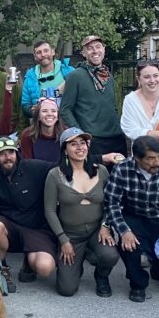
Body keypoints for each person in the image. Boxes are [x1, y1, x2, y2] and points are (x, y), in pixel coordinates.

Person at [103, 135, 159, 302]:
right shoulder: (122, 169)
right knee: (129, 246)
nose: (157, 162)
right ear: (136, 158)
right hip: (134, 217)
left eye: (158, 157)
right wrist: (124, 231)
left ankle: (158, 268)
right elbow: (112, 203)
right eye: (151, 159)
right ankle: (138, 284)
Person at [0, 136, 56, 291]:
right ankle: (1, 268)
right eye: (1, 154)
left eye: (11, 152)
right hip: (8, 228)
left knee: (45, 268)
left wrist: (99, 158)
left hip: (35, 229)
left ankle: (28, 263)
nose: (7, 157)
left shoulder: (34, 168)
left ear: (17, 153)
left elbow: (63, 167)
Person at [44, 127, 118, 297]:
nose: (80, 148)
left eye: (83, 143)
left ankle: (101, 276)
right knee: (66, 289)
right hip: (71, 235)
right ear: (64, 149)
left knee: (110, 255)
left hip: (97, 230)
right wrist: (63, 240)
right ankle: (78, 261)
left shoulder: (101, 170)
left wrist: (106, 225)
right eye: (73, 144)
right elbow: (49, 210)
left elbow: (111, 202)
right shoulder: (54, 175)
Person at [60, 35, 127, 163]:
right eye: (90, 48)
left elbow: (115, 106)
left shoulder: (108, 77)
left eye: (98, 47)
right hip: (93, 140)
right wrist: (80, 134)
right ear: (84, 53)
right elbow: (65, 109)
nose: (95, 51)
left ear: (104, 49)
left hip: (116, 138)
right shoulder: (75, 76)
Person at [21, 40, 74, 116]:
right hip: (43, 124)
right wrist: (32, 110)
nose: (43, 54)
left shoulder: (69, 71)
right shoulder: (30, 78)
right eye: (39, 52)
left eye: (46, 51)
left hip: (67, 122)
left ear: (53, 52)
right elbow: (25, 105)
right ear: (35, 57)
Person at [19, 97, 63, 163]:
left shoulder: (66, 134)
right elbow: (28, 164)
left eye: (53, 111)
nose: (49, 114)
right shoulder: (27, 135)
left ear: (58, 117)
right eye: (44, 111)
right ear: (38, 116)